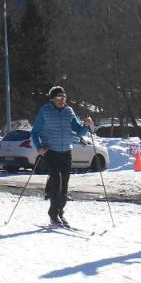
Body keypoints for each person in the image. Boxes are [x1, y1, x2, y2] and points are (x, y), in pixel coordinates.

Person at [30, 85, 94, 227]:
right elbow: (34, 132)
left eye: (64, 97)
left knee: (64, 186)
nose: (62, 100)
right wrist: (39, 147)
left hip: (66, 152)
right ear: (52, 99)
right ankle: (53, 214)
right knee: (56, 182)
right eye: (59, 97)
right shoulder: (45, 111)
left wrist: (86, 125)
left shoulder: (68, 111)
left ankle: (60, 213)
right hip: (50, 152)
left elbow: (80, 132)